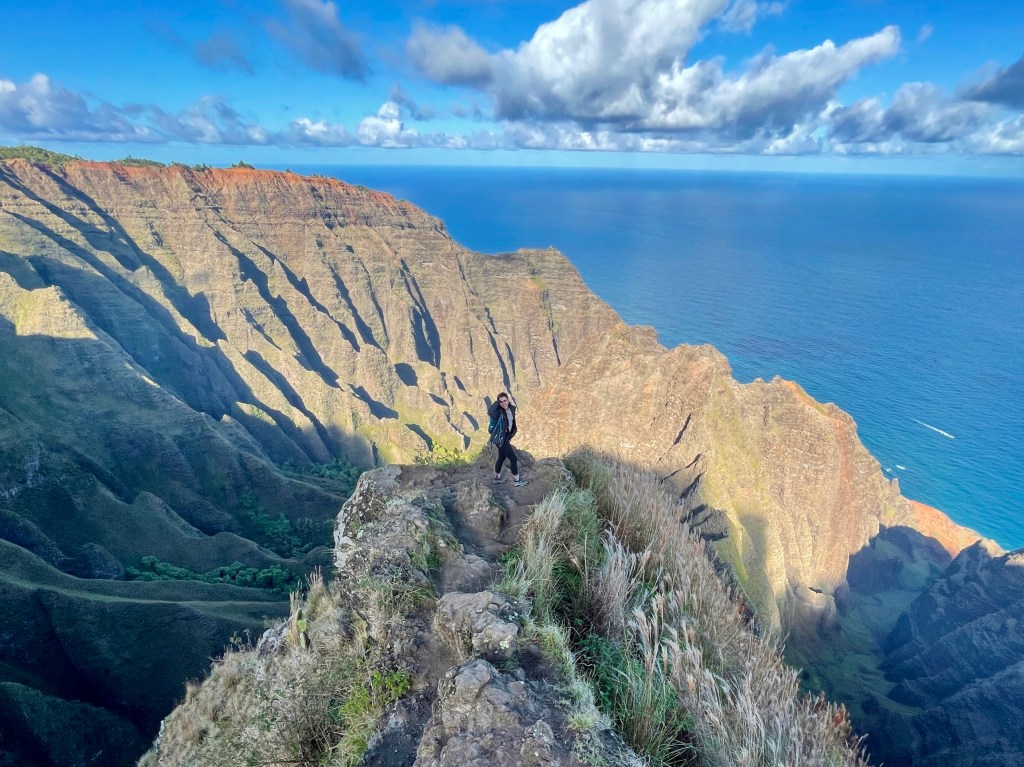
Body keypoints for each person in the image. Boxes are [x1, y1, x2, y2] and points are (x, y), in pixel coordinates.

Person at [487, 392, 527, 487]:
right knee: (513, 459)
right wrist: (498, 402)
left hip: (506, 437)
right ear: (498, 403)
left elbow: (511, 424)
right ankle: (517, 481)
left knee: (501, 457)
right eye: (501, 402)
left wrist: (510, 435)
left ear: (508, 400)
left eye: (505, 400)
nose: (504, 403)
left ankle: (497, 479)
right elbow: (490, 412)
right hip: (501, 439)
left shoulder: (511, 409)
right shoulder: (498, 412)